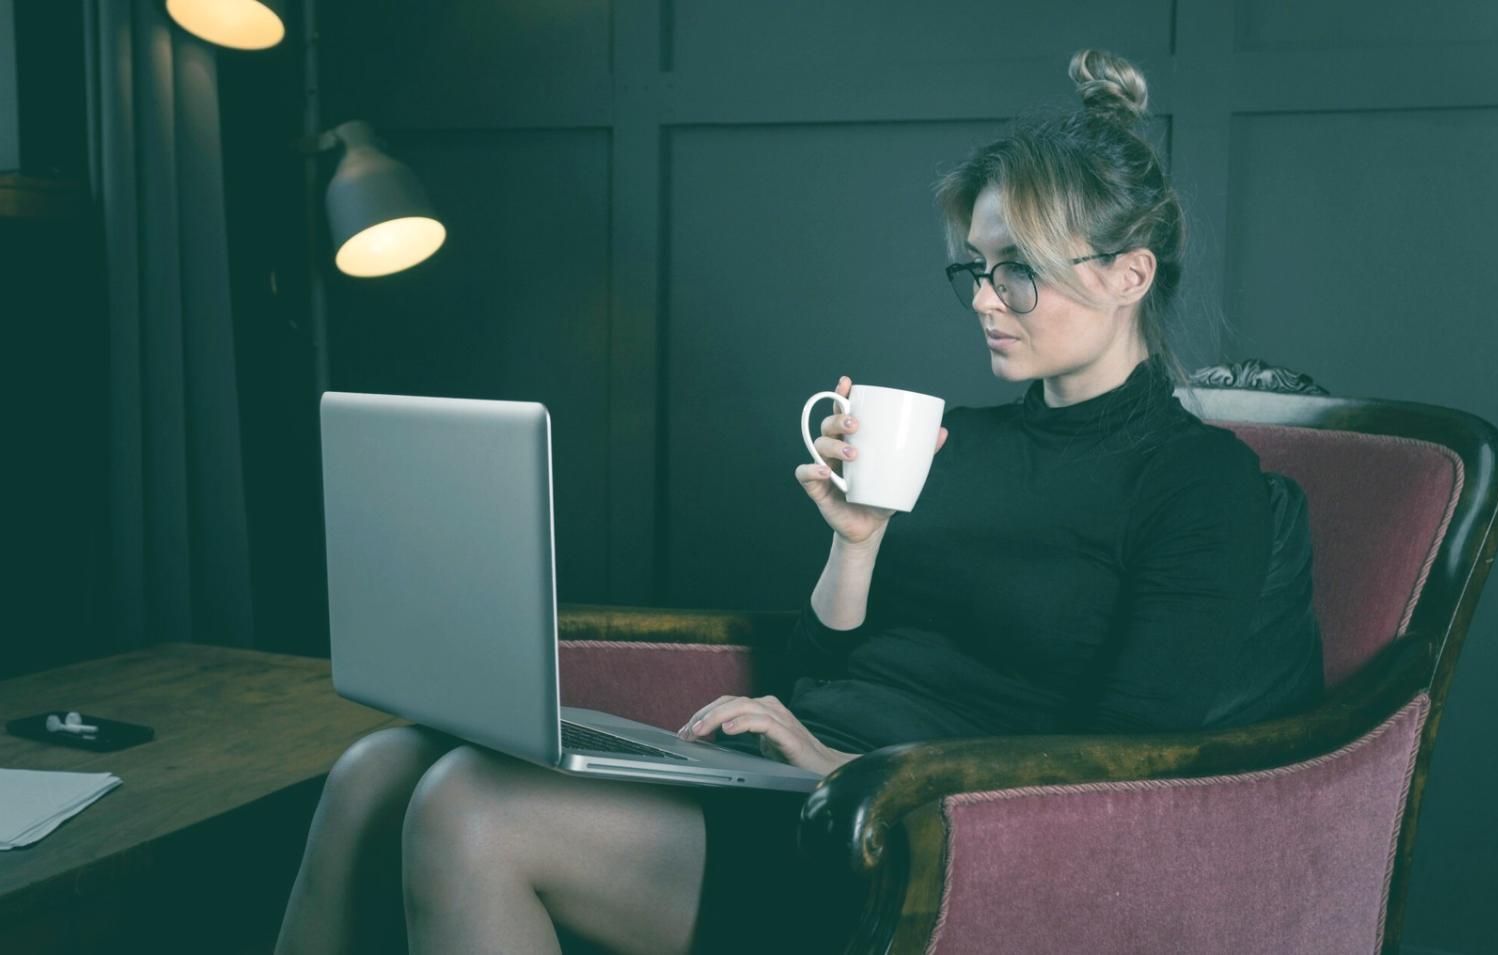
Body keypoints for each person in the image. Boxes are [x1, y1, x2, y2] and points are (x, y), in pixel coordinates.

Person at [273, 48, 1323, 955]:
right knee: (379, 766)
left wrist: (853, 766)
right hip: (793, 775)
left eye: (1019, 273)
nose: (985, 302)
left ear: (1130, 274)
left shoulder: (1198, 484)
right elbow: (823, 666)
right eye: (975, 269)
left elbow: (1125, 765)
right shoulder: (956, 441)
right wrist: (854, 547)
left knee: (467, 807)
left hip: (909, 830)